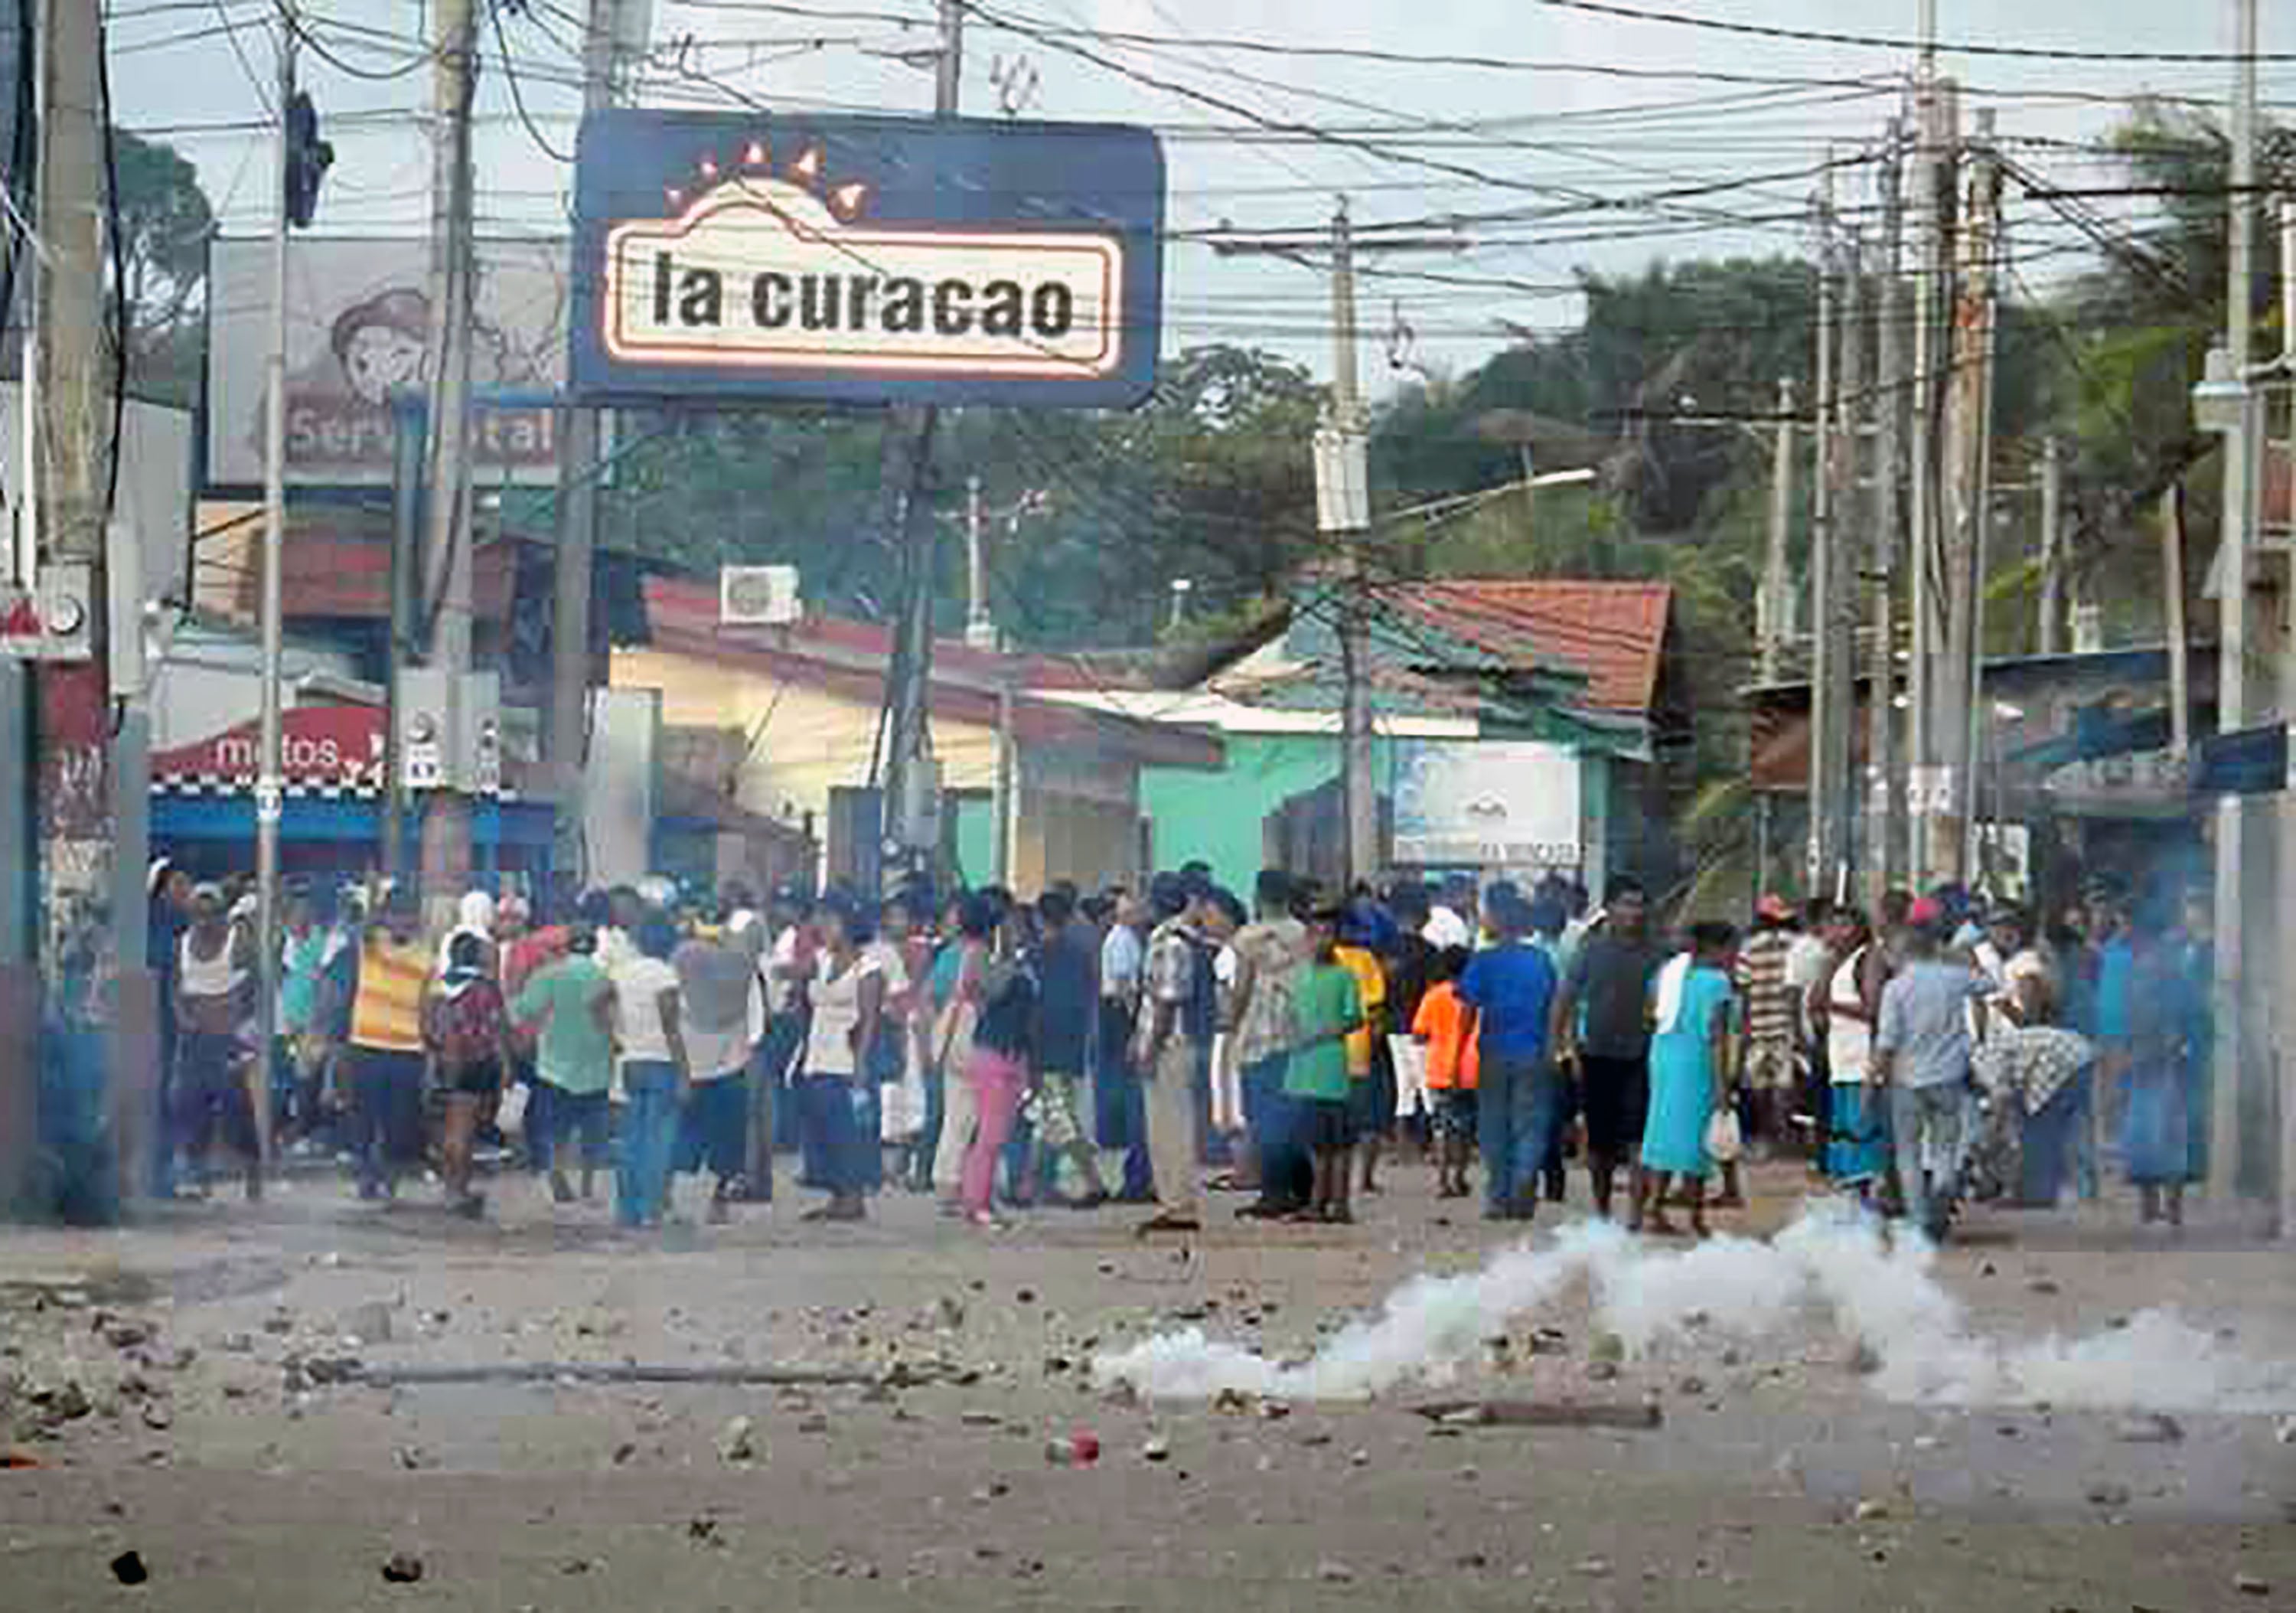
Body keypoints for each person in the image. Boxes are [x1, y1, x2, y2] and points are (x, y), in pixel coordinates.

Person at [1870, 906, 1988, 1242]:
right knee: (1945, 1148)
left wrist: (1871, 1080)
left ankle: (1919, 1220)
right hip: (1949, 1077)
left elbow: (1887, 1041)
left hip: (1906, 1080)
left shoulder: (1896, 988)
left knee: (1908, 1151)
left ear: (1903, 953)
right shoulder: (1952, 977)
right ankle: (1942, 1191)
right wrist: (1958, 956)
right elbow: (1990, 984)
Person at [1550, 877, 1662, 1220]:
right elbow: (1565, 999)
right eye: (1627, 903)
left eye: (1639, 904)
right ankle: (1602, 1210)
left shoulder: (1656, 953)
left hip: (1643, 1054)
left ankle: (1636, 1215)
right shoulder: (1590, 950)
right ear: (1610, 908)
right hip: (1596, 1053)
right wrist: (1558, 1046)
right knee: (1601, 1143)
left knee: (1640, 1137)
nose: (1634, 912)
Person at [1458, 887, 1561, 1223]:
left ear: (1497, 919)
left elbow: (1468, 1011)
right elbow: (1555, 1007)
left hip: (1494, 1051)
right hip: (1534, 1052)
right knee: (1530, 1123)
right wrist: (1554, 1047)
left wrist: (1458, 1053)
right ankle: (1525, 1179)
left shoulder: (1483, 961)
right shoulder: (1541, 960)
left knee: (1494, 1126)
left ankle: (1499, 1197)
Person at [1638, 922, 1738, 1238]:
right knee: (1697, 1140)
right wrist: (1722, 1087)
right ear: (1717, 948)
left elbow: (1650, 1013)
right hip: (1696, 1064)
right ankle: (1696, 1216)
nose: (1735, 955)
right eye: (1733, 948)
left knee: (1663, 1132)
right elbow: (1718, 1037)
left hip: (1663, 1058)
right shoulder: (1718, 982)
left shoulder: (1668, 973)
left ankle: (1654, 1206)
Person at [511, 924, 618, 1206]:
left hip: (555, 1063)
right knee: (592, 1131)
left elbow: (524, 1010)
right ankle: (587, 1186)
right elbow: (613, 1019)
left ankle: (557, 1173)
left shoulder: (548, 975)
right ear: (594, 947)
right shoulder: (606, 977)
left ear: (567, 946)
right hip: (596, 1064)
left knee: (557, 1127)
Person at [1228, 870, 1309, 1219]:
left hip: (1258, 1036)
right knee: (1291, 1114)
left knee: (1262, 1117)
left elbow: (1242, 989)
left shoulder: (1248, 937)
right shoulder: (1303, 934)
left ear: (1259, 897)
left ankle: (1274, 1192)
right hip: (1296, 1034)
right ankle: (1303, 1187)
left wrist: (1231, 1025)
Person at [1133, 873, 1211, 1234]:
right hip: (1179, 1042)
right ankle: (1175, 1201)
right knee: (1172, 1124)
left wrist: (1149, 1048)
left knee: (1169, 1128)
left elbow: (1166, 1002)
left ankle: (1178, 1205)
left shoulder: (1169, 943)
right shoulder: (1188, 939)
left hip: (1170, 1045)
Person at [174, 883, 261, 1200]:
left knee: (237, 1108)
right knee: (192, 1106)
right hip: (196, 1041)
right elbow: (175, 991)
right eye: (198, 914)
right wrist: (184, 1018)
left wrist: (244, 1030)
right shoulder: (181, 945)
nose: (204, 920)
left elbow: (256, 986)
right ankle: (199, 1176)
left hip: (229, 1040)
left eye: (211, 913)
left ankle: (253, 1172)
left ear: (222, 914)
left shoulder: (239, 943)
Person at [798, 895, 883, 1223]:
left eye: (829, 921)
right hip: (817, 1055)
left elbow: (869, 1020)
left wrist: (861, 1064)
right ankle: (836, 1193)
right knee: (822, 1129)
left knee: (848, 1131)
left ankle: (852, 1196)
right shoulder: (820, 960)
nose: (822, 927)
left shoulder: (869, 969)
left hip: (847, 1059)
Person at [345, 893, 432, 1203]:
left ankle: (389, 1179)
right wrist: (375, 898)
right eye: (395, 915)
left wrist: (430, 1052)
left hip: (408, 1049)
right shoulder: (371, 944)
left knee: (399, 1122)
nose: (401, 922)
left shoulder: (426, 956)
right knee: (364, 1119)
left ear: (416, 920)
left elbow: (427, 1006)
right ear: (386, 917)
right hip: (366, 1045)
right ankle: (366, 1176)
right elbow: (362, 927)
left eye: (407, 916)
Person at [673, 904, 757, 1223]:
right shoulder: (742, 961)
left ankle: (681, 1201)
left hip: (691, 1063)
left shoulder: (682, 957)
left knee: (687, 1138)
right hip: (731, 1062)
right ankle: (717, 1200)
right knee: (727, 1139)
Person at [960, 896, 1039, 1230]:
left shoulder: (1007, 961)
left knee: (995, 1134)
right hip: (995, 1053)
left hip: (1010, 1053)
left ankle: (979, 1199)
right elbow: (989, 991)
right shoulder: (981, 956)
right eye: (1008, 923)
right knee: (991, 1136)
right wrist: (1010, 960)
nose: (1015, 930)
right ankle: (977, 1203)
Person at [1026, 887, 1107, 1207]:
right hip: (1072, 1041)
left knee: (1059, 1119)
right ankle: (1036, 1183)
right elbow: (1089, 997)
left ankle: (1093, 1181)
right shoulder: (1080, 955)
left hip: (1045, 1045)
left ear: (1039, 919)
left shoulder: (1034, 956)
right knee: (1049, 1117)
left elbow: (1033, 1005)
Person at [2122, 895, 2198, 1228]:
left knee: (2157, 1135)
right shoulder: (2163, 969)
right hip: (2153, 1060)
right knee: (2157, 1136)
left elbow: (2181, 1014)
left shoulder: (2156, 970)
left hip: (2160, 1061)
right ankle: (2160, 1208)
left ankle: (2160, 1208)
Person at [1286, 902, 1365, 1223]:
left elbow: (1355, 1018)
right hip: (1302, 1072)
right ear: (1307, 938)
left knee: (1339, 1145)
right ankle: (1318, 1203)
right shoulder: (1299, 976)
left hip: (1332, 1073)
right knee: (1315, 1146)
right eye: (1316, 934)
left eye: (1328, 934)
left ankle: (1339, 1205)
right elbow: (1290, 1015)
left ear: (1336, 938)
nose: (1322, 940)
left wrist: (1317, 1036)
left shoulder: (1345, 976)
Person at [423, 930, 510, 1216]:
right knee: (464, 1132)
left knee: (448, 1129)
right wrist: (505, 1065)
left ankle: (450, 1188)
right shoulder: (485, 987)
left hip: (442, 1062)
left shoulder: (438, 986)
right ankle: (458, 1190)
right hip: (475, 1063)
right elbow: (496, 1029)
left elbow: (426, 1025)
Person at [611, 913, 689, 1230]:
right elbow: (671, 1028)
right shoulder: (665, 975)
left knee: (632, 1139)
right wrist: (685, 1073)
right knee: (659, 1141)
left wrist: (614, 1036)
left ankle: (627, 1209)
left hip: (632, 1059)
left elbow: (596, 1001)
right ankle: (651, 1208)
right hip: (661, 1061)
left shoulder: (623, 972)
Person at [1816, 908, 1889, 1195]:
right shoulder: (1836, 962)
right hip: (1841, 1059)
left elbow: (1874, 1009)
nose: (1832, 933)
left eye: (1840, 926)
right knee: (1844, 1130)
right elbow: (1816, 1003)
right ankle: (1850, 1190)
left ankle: (1868, 1194)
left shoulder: (1869, 958)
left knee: (1863, 1129)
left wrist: (1831, 1006)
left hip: (1863, 1059)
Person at [1734, 895, 1800, 1171]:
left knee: (1758, 1086)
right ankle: (1783, 1135)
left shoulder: (1748, 948)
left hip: (1758, 1025)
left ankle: (1765, 1137)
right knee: (1784, 1085)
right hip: (1786, 1024)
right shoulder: (1794, 944)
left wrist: (1745, 1027)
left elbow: (1743, 988)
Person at [1096, 889, 1153, 1203]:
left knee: (1126, 1088)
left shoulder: (1127, 938)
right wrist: (1135, 1025)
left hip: (1119, 1014)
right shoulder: (1122, 940)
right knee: (1130, 1090)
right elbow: (1123, 987)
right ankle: (1129, 1156)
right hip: (1120, 1016)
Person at [1332, 908, 1392, 1196]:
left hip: (1326, 1052)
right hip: (1360, 1049)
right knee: (1369, 1119)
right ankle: (1365, 1178)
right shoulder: (1366, 959)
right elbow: (1377, 1007)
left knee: (1332, 1121)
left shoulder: (1319, 959)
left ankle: (1332, 1181)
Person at [1412, 946, 1479, 1200]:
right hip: (1471, 1069)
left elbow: (1419, 1034)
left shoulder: (1433, 996)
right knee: (1465, 1128)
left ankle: (1442, 1180)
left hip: (1439, 1070)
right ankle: (1459, 1176)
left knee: (1442, 1127)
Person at [1423, 876, 1476, 952]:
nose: (1454, 898)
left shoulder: (1473, 917)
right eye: (1450, 895)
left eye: (1460, 892)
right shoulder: (1439, 915)